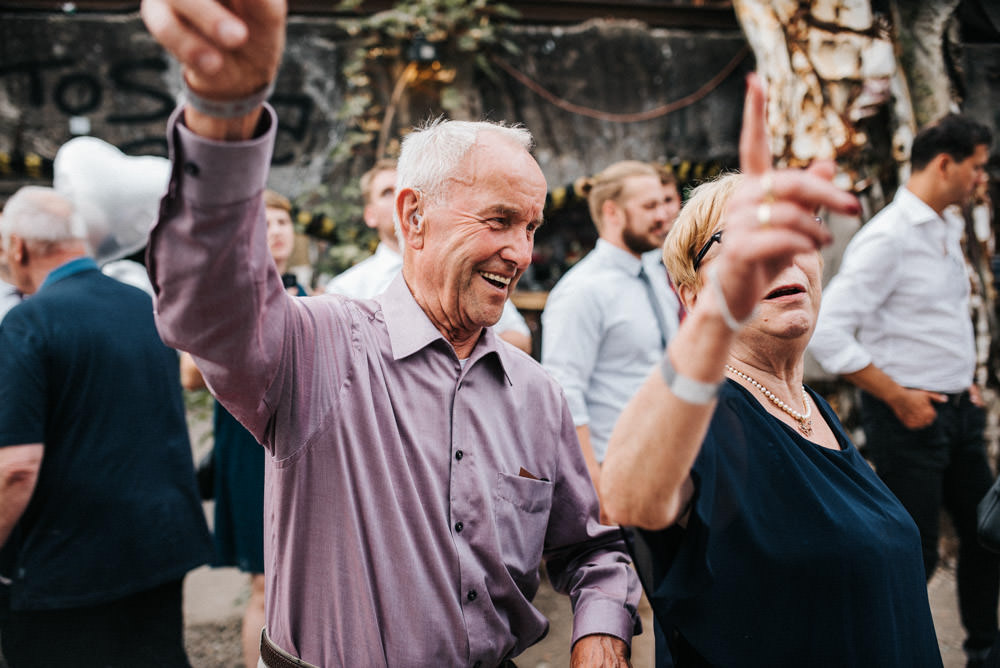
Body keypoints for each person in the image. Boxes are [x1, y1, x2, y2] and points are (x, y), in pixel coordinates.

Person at [139, 1, 641, 666]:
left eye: (531, 227)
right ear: (414, 217)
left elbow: (592, 549)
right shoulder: (317, 349)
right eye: (498, 220)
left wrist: (602, 633)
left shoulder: (535, 393)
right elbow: (207, 304)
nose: (521, 252)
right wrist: (225, 114)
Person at [599, 76, 943, 667]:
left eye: (791, 232)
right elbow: (629, 499)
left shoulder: (809, 407)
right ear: (691, 293)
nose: (776, 254)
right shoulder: (707, 418)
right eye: (742, 244)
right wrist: (718, 314)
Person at [809, 112, 997, 667]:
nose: (981, 179)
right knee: (912, 552)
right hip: (909, 417)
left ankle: (986, 651)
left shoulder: (944, 226)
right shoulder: (887, 237)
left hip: (959, 412)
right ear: (945, 164)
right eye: (977, 168)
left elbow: (940, 319)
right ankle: (898, 655)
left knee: (987, 535)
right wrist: (897, 396)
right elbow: (831, 329)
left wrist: (969, 381)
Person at [0, 186, 213, 667]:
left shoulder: (27, 324)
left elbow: (15, 468)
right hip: (157, 551)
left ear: (18, 247)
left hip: (66, 569)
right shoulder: (143, 308)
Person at [179, 189, 305, 668]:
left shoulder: (311, 294)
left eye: (282, 222)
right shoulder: (228, 297)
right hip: (251, 450)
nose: (275, 231)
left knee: (303, 581)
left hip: (302, 448)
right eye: (265, 223)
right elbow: (191, 374)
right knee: (265, 582)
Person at [542, 160, 681, 495]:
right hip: (617, 470)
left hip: (671, 462)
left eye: (665, 202)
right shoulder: (581, 291)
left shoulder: (654, 275)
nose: (664, 215)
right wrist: (594, 482)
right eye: (649, 206)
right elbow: (564, 393)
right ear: (612, 213)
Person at [326, 159, 534, 354]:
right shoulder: (346, 288)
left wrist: (463, 349)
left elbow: (520, 338)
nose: (397, 193)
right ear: (369, 215)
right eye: (386, 192)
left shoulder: (461, 268)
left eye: (402, 185)